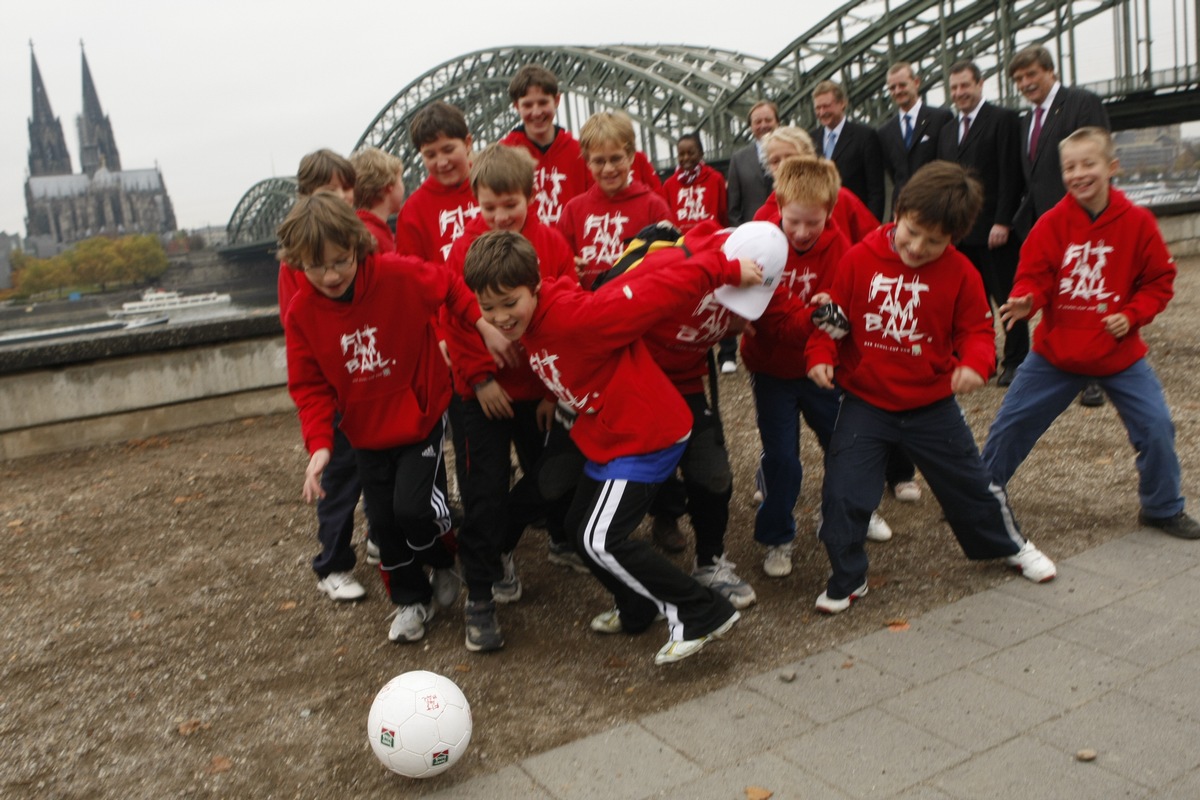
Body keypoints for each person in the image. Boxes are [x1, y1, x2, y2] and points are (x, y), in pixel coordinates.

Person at [461, 227, 771, 664]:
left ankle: (701, 612)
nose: (499, 318)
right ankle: (636, 609)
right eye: (487, 307)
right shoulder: (533, 318)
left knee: (601, 538)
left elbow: (659, 287)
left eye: (509, 304)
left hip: (647, 435)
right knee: (577, 527)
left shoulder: (578, 316)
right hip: (608, 436)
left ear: (533, 287)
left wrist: (726, 269)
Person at [805, 161, 1057, 615]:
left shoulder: (962, 273)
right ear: (898, 212)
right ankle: (848, 576)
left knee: (972, 484)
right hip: (866, 402)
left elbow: (978, 333)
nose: (918, 247)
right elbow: (833, 320)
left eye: (935, 241)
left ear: (954, 239)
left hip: (931, 404)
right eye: (912, 231)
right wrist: (820, 356)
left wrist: (976, 365)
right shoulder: (858, 258)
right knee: (843, 492)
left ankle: (1011, 546)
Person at [279, 193, 505, 643]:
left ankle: (443, 561)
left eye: (341, 261)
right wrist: (319, 446)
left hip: (419, 417)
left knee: (413, 509)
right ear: (295, 264)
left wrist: (483, 325)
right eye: (316, 266)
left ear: (358, 247)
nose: (331, 275)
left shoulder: (398, 274)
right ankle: (409, 601)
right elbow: (310, 388)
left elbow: (449, 286)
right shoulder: (302, 313)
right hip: (364, 432)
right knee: (383, 524)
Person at [982, 127, 1200, 541]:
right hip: (1056, 354)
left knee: (1156, 425)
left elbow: (1160, 280)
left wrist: (1133, 314)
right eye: (1069, 167)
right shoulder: (1051, 223)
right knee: (1010, 425)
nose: (1078, 173)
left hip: (1119, 352)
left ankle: (1162, 507)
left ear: (1111, 167)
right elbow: (1032, 276)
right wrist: (1027, 300)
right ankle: (976, 497)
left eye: (1088, 164)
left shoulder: (1137, 221)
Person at [441, 143, 579, 651]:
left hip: (537, 391)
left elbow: (563, 311)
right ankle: (480, 594)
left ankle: (510, 541)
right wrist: (480, 379)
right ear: (475, 202)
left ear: (531, 195)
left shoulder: (551, 243)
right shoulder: (462, 250)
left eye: (510, 205)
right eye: (489, 207)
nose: (500, 217)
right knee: (484, 490)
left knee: (550, 477)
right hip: (483, 393)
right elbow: (451, 319)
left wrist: (549, 390)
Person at [741, 155, 892, 578]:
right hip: (772, 370)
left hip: (821, 369)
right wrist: (817, 316)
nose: (803, 233)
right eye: (794, 222)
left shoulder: (840, 247)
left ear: (830, 212)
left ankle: (853, 513)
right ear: (779, 205)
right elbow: (774, 318)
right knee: (782, 459)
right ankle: (777, 536)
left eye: (814, 222)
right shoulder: (761, 240)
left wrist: (824, 335)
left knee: (842, 446)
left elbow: (841, 311)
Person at [276, 149, 369, 603]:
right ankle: (331, 564)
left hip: (369, 385)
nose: (340, 198)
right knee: (338, 483)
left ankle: (383, 545)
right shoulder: (299, 266)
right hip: (336, 396)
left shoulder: (363, 243)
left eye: (345, 190)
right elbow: (305, 338)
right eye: (328, 192)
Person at [1008, 45, 1111, 408]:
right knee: (1061, 299)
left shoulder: (1081, 102)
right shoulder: (1027, 120)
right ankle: (1066, 367)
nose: (1025, 83)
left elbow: (1096, 156)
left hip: (1083, 222)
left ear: (1050, 71)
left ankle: (1094, 378)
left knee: (1089, 297)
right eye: (1019, 79)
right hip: (1046, 224)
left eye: (1031, 75)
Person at [936, 59, 1027, 387]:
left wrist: (1003, 221)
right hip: (960, 233)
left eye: (965, 85)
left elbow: (1010, 174)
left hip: (994, 230)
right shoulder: (947, 131)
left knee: (1006, 300)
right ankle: (982, 360)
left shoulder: (1003, 120)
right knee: (968, 303)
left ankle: (1016, 360)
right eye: (955, 87)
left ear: (980, 84)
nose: (960, 93)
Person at [557, 111, 673, 290]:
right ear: (587, 162)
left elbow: (672, 266)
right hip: (592, 309)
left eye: (616, 159)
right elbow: (560, 267)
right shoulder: (573, 211)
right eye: (599, 161)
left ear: (631, 156)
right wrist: (570, 268)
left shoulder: (654, 207)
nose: (608, 169)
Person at [720, 100, 780, 373]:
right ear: (751, 126)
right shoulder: (739, 158)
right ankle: (743, 350)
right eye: (758, 121)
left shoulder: (787, 150)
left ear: (777, 121)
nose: (763, 125)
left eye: (768, 120)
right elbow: (734, 205)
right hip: (752, 242)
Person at [501, 65, 591, 227]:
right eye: (528, 105)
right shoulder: (504, 153)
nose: (536, 112)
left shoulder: (579, 151)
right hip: (524, 249)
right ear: (516, 107)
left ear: (556, 100)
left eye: (543, 102)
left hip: (572, 248)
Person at [755, 126, 879, 244]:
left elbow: (874, 241)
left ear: (808, 157)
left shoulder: (841, 198)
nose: (783, 165)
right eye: (775, 161)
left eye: (790, 157)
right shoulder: (763, 215)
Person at [396, 101, 479, 263]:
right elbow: (413, 275)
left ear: (468, 143)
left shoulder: (497, 184)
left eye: (448, 150)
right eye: (430, 155)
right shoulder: (413, 211)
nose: (441, 162)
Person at [877, 62, 954, 216]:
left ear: (916, 82)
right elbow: (894, 173)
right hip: (902, 209)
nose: (897, 91)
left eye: (902, 85)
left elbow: (948, 163)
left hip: (936, 205)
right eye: (892, 88)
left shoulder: (941, 118)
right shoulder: (885, 131)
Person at [810, 80, 885, 221]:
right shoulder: (810, 139)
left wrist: (872, 225)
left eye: (826, 106)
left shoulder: (865, 136)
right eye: (817, 108)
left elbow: (876, 190)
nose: (822, 112)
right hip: (820, 222)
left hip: (855, 220)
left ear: (842, 103)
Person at [661, 134, 728, 233]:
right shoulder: (669, 185)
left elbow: (724, 215)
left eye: (691, 153)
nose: (686, 158)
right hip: (682, 244)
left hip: (711, 241)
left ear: (701, 153)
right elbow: (667, 220)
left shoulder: (715, 179)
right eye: (681, 154)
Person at [349, 147, 406, 253]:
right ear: (389, 186)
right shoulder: (374, 238)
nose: (403, 186)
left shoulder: (358, 229)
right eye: (400, 180)